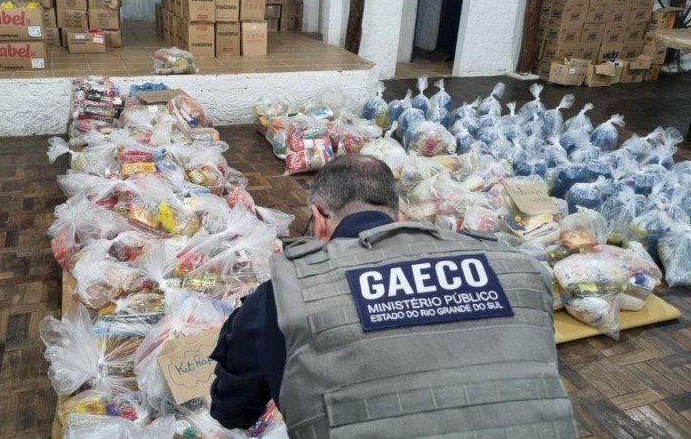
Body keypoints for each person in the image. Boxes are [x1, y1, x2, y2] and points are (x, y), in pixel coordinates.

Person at [210, 154, 577, 438]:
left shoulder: (283, 295)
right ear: (398, 214)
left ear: (319, 219)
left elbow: (233, 409)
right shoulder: (515, 266)